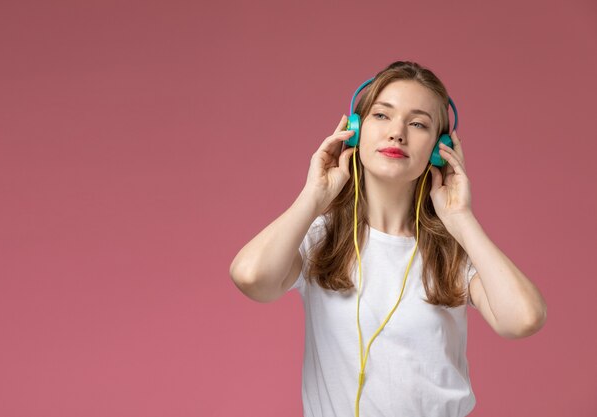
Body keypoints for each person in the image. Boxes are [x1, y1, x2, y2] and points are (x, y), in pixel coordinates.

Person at [229, 61, 547, 417]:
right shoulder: (321, 236)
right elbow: (251, 277)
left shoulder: (452, 250)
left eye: (418, 123)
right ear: (354, 130)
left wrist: (461, 219)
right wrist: (313, 195)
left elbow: (524, 319)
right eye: (382, 116)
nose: (397, 133)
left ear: (440, 146)